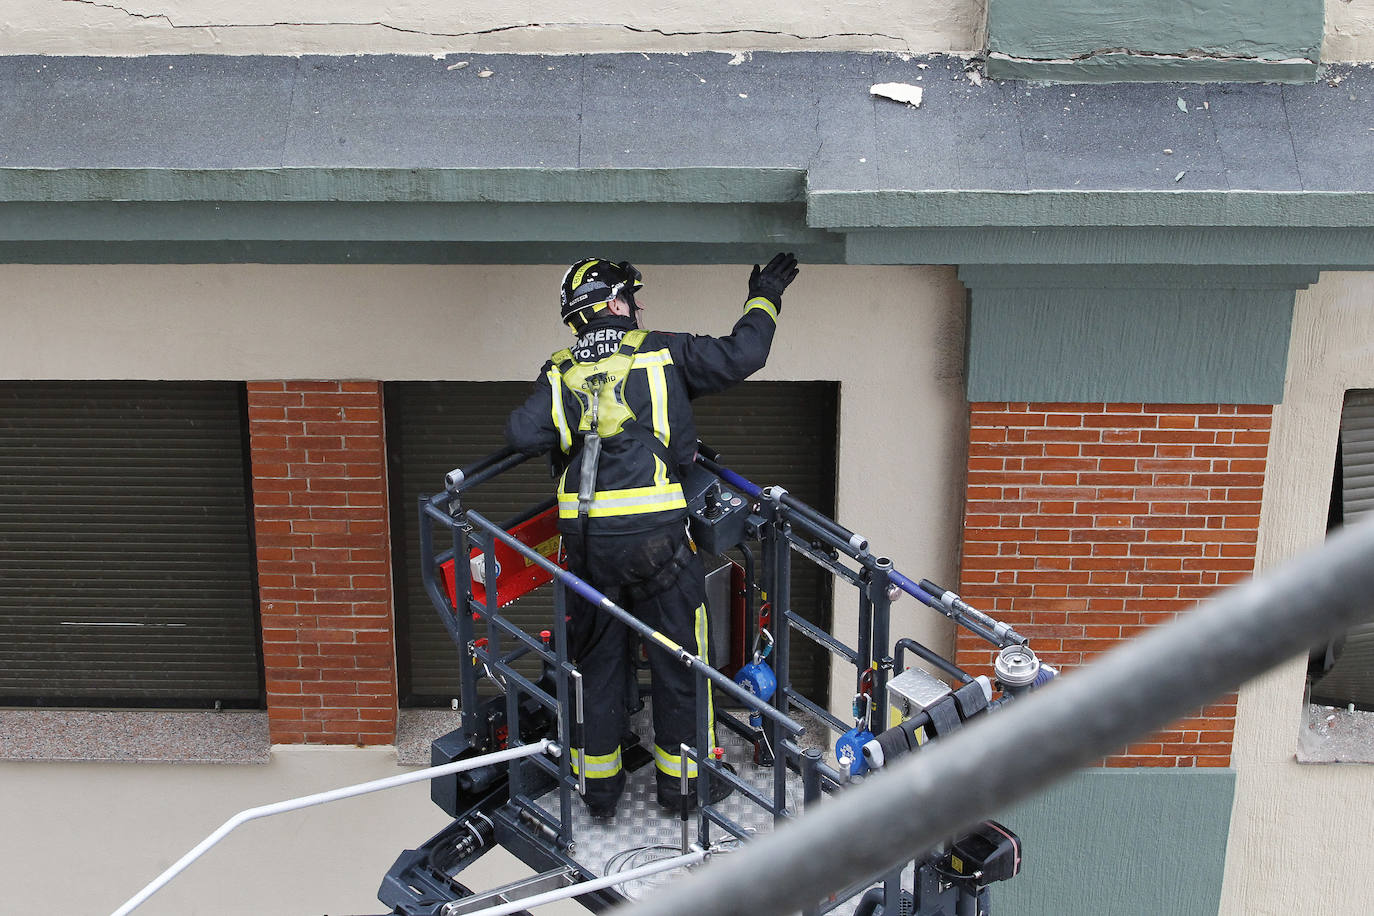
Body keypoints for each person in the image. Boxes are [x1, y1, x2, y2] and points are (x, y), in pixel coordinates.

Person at [504, 253, 799, 818]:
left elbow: (521, 432)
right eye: (631, 300)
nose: (637, 309)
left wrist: (577, 420)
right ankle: (684, 789)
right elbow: (745, 354)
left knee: (598, 662)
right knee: (682, 662)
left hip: (588, 552)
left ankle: (601, 790)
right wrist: (765, 295)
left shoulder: (561, 368)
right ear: (614, 304)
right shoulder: (663, 352)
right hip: (658, 543)